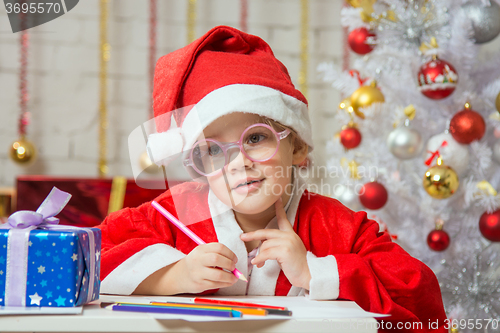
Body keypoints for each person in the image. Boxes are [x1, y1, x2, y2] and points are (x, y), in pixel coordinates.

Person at [97, 25, 447, 331]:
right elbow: (87, 259)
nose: (239, 163)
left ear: (296, 147)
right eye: (214, 150)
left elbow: (419, 295)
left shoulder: (334, 225)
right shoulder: (175, 213)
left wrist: (314, 272)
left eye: (255, 138)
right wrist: (175, 275)